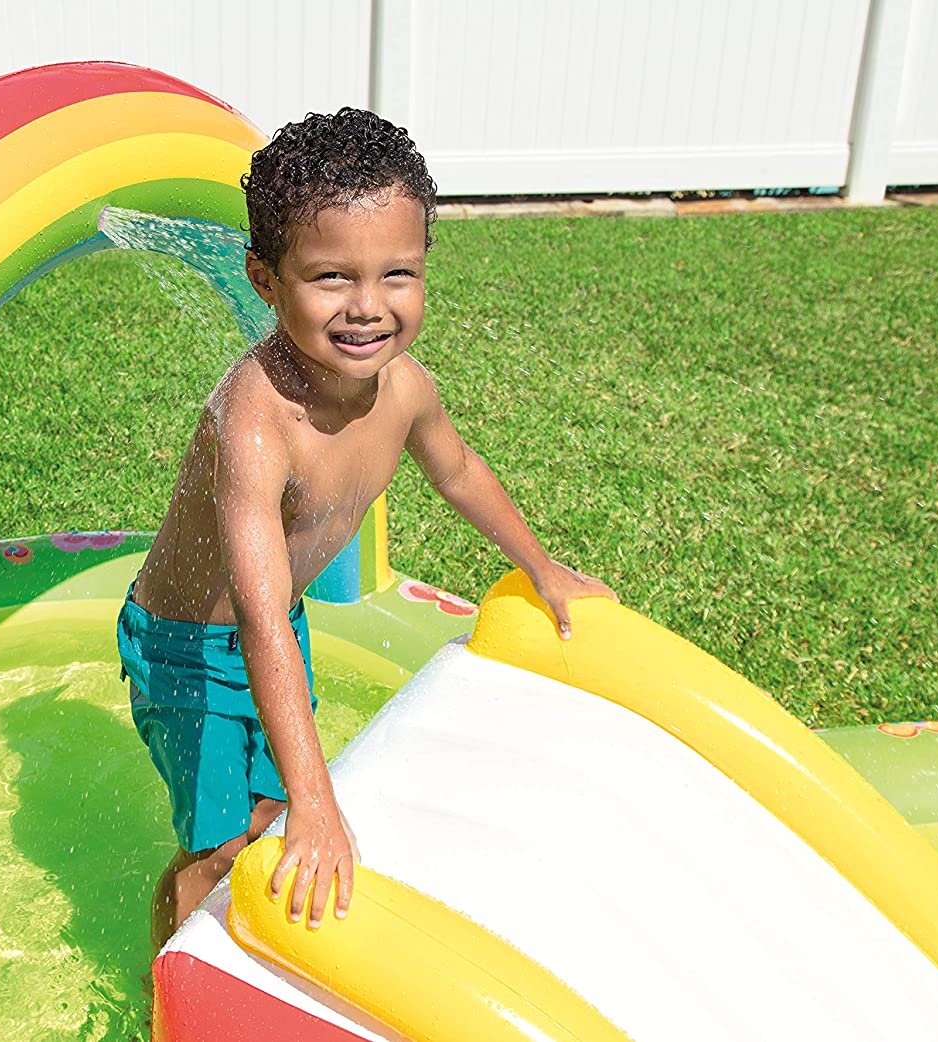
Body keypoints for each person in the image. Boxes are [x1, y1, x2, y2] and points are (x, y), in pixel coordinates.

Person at [115, 106, 617, 954]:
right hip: (188, 646)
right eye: (331, 278)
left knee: (273, 809)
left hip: (277, 626)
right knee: (218, 843)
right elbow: (256, 615)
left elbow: (459, 471)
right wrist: (322, 801)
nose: (368, 307)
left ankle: (246, 948)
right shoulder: (255, 423)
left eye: (397, 274)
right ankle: (165, 986)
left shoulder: (406, 389)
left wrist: (543, 566)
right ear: (265, 279)